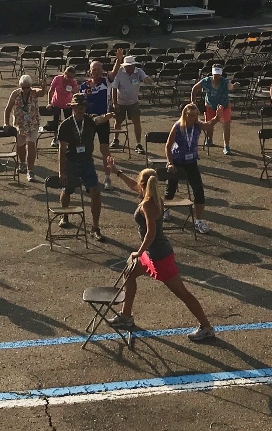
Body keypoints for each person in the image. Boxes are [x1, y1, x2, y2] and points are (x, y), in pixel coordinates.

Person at [104, 160, 216, 342]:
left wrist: (138, 252)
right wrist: (117, 172)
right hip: (151, 254)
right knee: (129, 273)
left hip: (159, 257)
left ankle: (206, 326)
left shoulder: (149, 204)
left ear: (144, 184)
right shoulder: (152, 196)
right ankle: (126, 316)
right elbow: (133, 185)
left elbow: (151, 233)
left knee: (182, 293)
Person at [57, 93, 114, 242]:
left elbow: (98, 120)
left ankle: (95, 227)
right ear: (73, 107)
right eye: (78, 106)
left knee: (95, 192)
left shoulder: (89, 120)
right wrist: (61, 171)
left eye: (83, 106)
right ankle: (65, 216)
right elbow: (62, 150)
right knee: (67, 190)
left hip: (87, 161)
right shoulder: (66, 125)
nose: (81, 109)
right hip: (71, 161)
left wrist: (107, 117)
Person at [164, 103, 219, 234]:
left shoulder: (197, 125)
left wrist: (217, 117)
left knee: (199, 191)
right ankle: (165, 211)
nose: (193, 118)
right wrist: (170, 162)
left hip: (192, 162)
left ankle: (199, 221)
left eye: (195, 115)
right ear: (185, 114)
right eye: (190, 115)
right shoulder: (177, 126)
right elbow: (168, 146)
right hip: (177, 161)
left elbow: (209, 125)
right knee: (170, 189)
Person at [80, 51, 123, 190]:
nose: (97, 72)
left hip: (103, 120)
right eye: (94, 69)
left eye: (99, 69)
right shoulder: (84, 86)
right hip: (88, 121)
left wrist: (118, 60)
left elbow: (115, 72)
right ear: (90, 71)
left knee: (105, 150)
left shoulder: (106, 81)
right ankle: (86, 176)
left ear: (102, 71)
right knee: (86, 149)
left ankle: (107, 178)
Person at [5, 74, 43, 182]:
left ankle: (30, 170)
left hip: (32, 124)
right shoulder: (15, 94)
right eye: (23, 87)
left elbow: (42, 93)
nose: (25, 90)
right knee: (20, 145)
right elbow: (7, 109)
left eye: (27, 87)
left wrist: (44, 87)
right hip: (20, 124)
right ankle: (22, 163)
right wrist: (6, 123)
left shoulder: (33, 92)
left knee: (31, 145)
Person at [110, 55, 151, 153]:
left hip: (133, 102)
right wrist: (115, 103)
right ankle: (116, 139)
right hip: (121, 101)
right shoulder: (119, 73)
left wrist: (147, 79)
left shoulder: (138, 71)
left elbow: (145, 78)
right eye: (128, 66)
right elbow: (114, 88)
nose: (130, 68)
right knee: (118, 121)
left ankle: (138, 143)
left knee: (136, 122)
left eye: (132, 66)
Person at [191, 64, 235, 154]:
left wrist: (234, 86)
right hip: (210, 105)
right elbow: (194, 89)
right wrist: (193, 102)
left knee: (226, 124)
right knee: (209, 124)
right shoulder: (206, 81)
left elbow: (230, 86)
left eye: (218, 74)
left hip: (224, 106)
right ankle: (209, 139)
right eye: (215, 74)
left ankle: (226, 146)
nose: (216, 76)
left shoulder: (225, 81)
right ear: (212, 73)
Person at [47, 64, 79, 149]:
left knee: (68, 122)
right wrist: (49, 103)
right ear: (64, 73)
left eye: (71, 77)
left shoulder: (73, 82)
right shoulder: (57, 79)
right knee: (55, 121)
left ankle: (67, 139)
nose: (69, 78)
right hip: (56, 102)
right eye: (67, 76)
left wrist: (74, 91)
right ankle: (55, 138)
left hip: (67, 103)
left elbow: (76, 94)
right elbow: (50, 91)